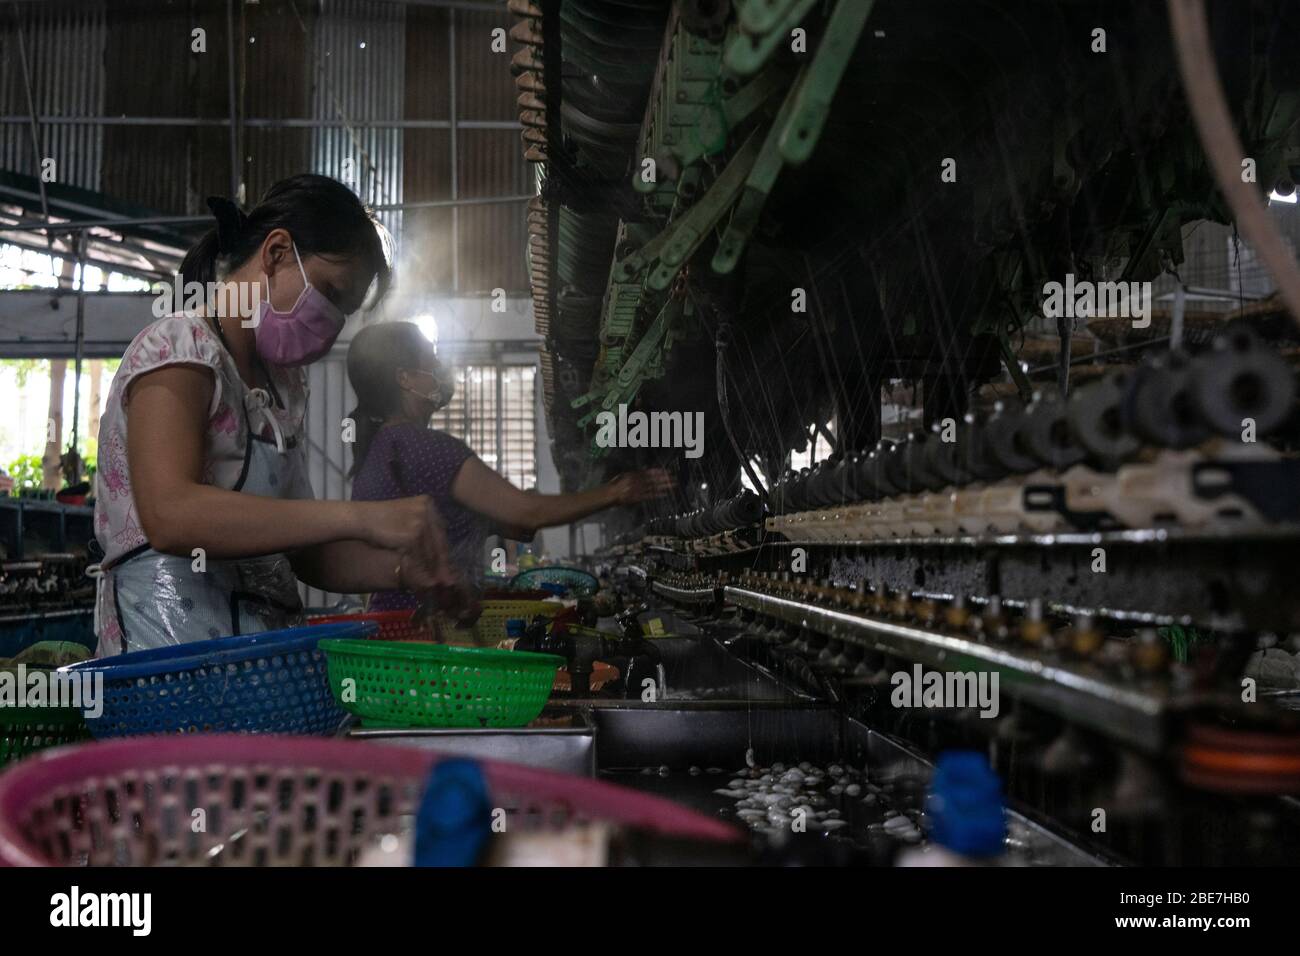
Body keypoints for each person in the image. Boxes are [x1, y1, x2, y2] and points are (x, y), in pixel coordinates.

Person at [91, 175, 462, 656]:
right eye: (330, 292)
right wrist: (361, 517)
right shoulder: (179, 350)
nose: (331, 326)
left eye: (344, 313)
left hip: (258, 667)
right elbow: (171, 515)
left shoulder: (284, 388)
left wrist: (401, 572)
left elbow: (303, 551)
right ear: (277, 253)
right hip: (166, 668)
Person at [346, 321, 673, 610]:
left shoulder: (378, 448)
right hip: (430, 630)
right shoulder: (428, 448)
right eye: (430, 357)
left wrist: (487, 523)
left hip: (394, 624)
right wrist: (615, 491)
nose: (439, 364)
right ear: (405, 378)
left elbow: (429, 524)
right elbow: (528, 512)